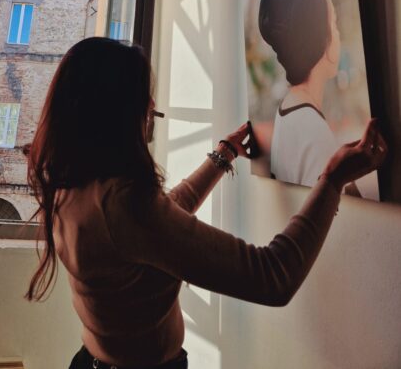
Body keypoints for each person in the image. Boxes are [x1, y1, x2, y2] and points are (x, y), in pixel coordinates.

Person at [25, 37, 386, 369]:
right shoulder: (123, 205)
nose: (151, 107)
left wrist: (222, 155)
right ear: (115, 112)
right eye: (142, 97)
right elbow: (273, 276)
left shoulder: (67, 183)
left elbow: (161, 221)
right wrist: (332, 180)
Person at [258, 0, 370, 192]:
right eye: (334, 24)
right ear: (321, 40)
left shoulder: (288, 109)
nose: (338, 34)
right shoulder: (315, 136)